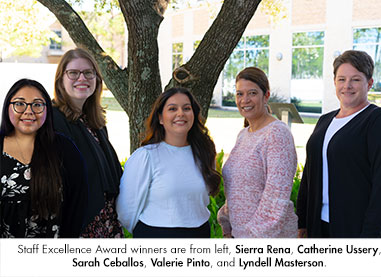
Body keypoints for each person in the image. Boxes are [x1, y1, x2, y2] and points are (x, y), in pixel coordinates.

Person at [297, 50, 381, 238]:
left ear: (369, 83)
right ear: (334, 82)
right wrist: (302, 221)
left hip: (358, 229)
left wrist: (370, 236)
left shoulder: (380, 122)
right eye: (342, 79)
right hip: (320, 225)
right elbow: (309, 173)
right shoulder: (324, 121)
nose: (347, 86)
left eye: (356, 79)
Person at [116, 87, 220, 238]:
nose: (180, 113)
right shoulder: (146, 156)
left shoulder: (205, 153)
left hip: (199, 234)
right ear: (160, 118)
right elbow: (126, 209)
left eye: (186, 108)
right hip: (156, 236)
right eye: (172, 109)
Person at [217, 67, 298, 238]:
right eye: (239, 94)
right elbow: (238, 188)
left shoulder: (276, 134)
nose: (245, 100)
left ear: (266, 96)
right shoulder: (243, 134)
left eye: (252, 93)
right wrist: (227, 225)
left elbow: (276, 198)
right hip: (239, 234)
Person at [0, 79, 87, 238]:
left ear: (47, 110)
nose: (28, 111)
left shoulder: (65, 149)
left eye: (37, 105)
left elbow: (77, 205)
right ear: (8, 107)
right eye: (20, 104)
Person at [52, 48, 123, 238]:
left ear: (97, 80)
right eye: (73, 73)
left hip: (108, 224)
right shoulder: (52, 121)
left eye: (88, 73)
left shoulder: (96, 124)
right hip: (79, 226)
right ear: (61, 80)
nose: (82, 78)